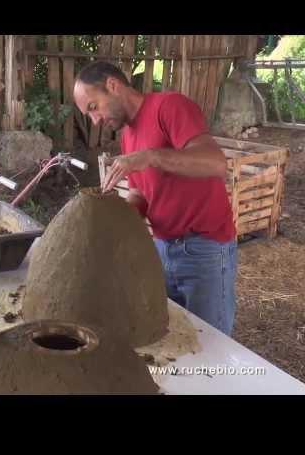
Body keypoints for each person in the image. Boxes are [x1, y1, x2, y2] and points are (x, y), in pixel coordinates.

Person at [73, 61, 237, 335]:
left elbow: (216, 163)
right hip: (162, 249)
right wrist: (114, 219)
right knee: (172, 335)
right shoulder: (128, 136)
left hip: (203, 248)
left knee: (211, 344)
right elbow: (140, 194)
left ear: (113, 85)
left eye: (93, 107)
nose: (95, 120)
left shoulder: (169, 106)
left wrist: (151, 156)